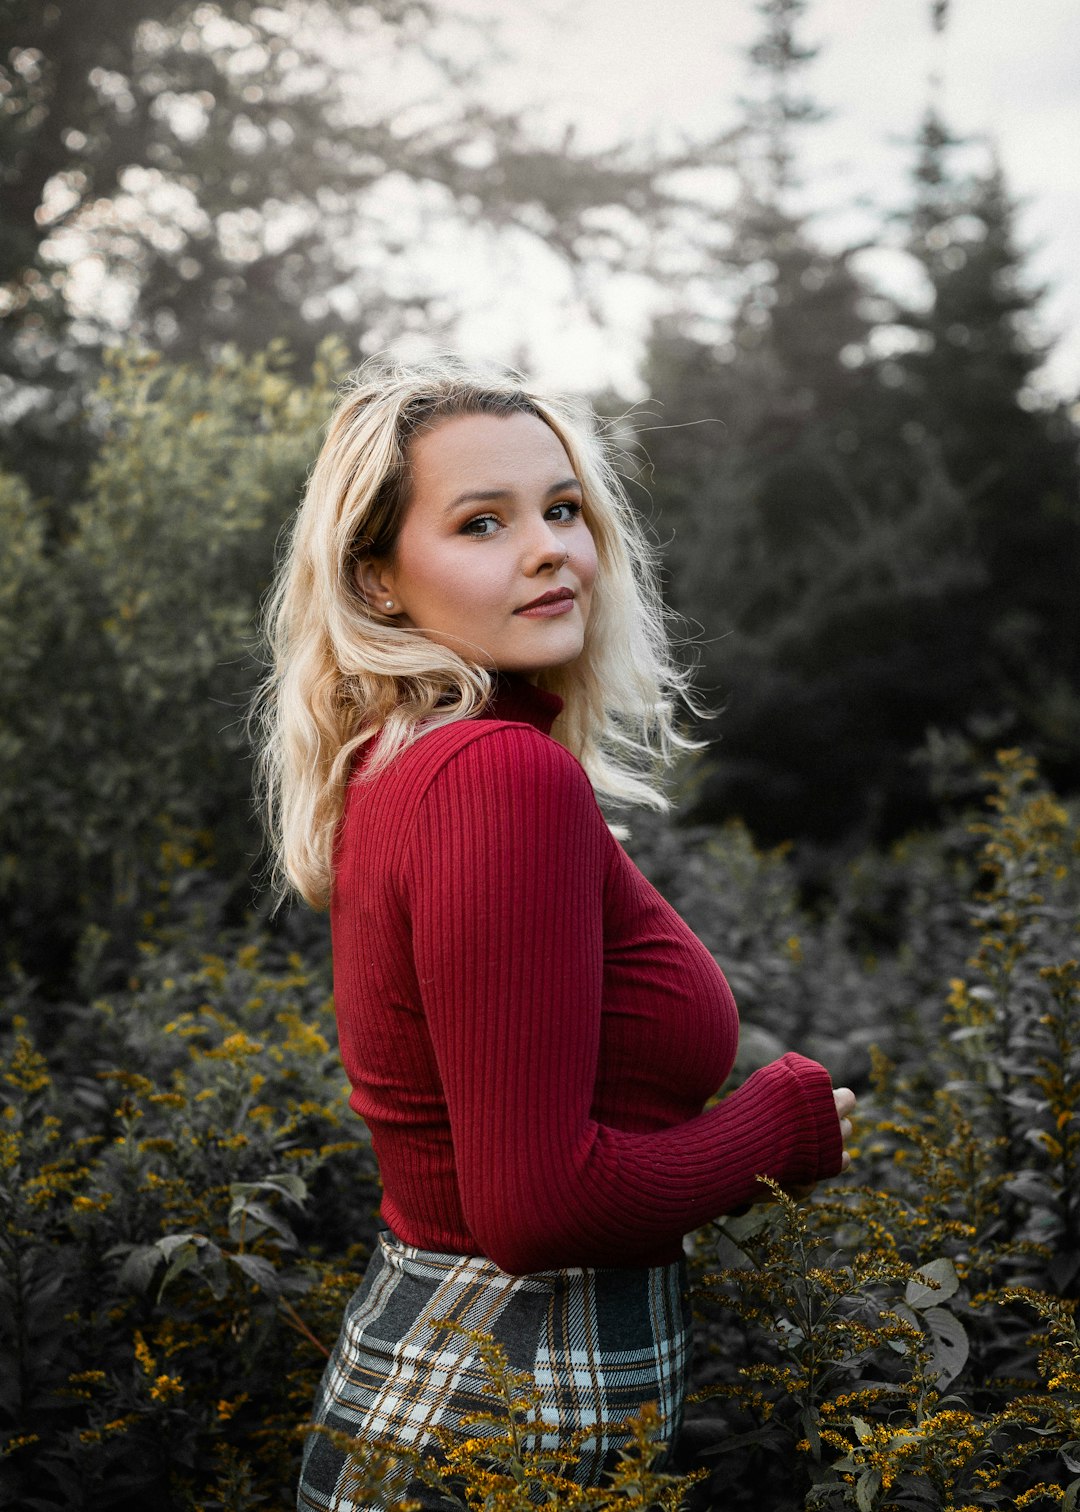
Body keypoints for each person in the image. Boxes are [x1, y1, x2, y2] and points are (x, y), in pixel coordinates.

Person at [253, 354, 856, 1511]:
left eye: (563, 509)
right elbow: (539, 1208)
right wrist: (775, 1126)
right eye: (483, 521)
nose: (550, 549)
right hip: (504, 1406)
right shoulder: (495, 775)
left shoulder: (409, 762)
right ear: (377, 583)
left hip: (454, 1386)